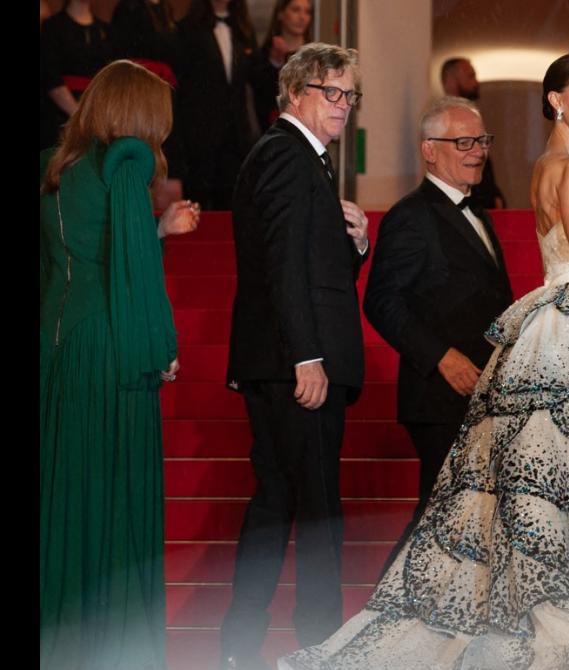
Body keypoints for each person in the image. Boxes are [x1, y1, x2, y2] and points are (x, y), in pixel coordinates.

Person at [277, 53, 569, 670]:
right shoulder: (557, 171)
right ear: (557, 101)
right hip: (568, 328)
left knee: (547, 489)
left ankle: (558, 608)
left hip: (552, 331)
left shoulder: (543, 168)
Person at [40, 58, 200, 670]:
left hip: (59, 345)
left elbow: (82, 254)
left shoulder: (57, 169)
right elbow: (131, 271)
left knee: (66, 491)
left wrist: (154, 229)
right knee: (110, 496)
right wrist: (156, 347)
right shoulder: (127, 159)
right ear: (138, 113)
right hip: (110, 350)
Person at [220, 42, 370, 670]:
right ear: (295, 93)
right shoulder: (287, 155)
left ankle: (238, 647)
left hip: (283, 359)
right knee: (315, 509)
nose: (343, 106)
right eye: (332, 92)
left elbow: (306, 263)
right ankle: (321, 646)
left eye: (350, 95)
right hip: (295, 365)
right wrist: (307, 356)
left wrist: (357, 245)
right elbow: (281, 266)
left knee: (281, 500)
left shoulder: (299, 159)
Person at [362, 96, 513, 577]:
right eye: (463, 142)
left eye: (482, 141)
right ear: (430, 150)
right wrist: (441, 357)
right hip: (439, 396)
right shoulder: (411, 215)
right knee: (438, 514)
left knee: (459, 516)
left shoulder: (479, 213)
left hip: (480, 394)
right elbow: (381, 302)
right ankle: (385, 620)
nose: (477, 151)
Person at [176, 0, 259, 210]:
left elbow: (256, 79)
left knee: (232, 211)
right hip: (198, 140)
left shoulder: (244, 31)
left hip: (236, 140)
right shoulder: (187, 29)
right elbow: (181, 90)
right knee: (197, 210)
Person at [110, 0, 189, 209]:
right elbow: (120, 62)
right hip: (140, 102)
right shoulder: (127, 9)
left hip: (168, 102)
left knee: (172, 180)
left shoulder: (166, 10)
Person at [39, 0, 117, 150]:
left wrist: (101, 116)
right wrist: (79, 114)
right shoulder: (53, 27)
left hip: (99, 113)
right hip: (62, 117)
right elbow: (51, 76)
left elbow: (112, 76)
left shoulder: (106, 30)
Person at [439, 57, 506, 209]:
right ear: (451, 80)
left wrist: (494, 194)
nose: (476, 82)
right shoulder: (442, 123)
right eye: (470, 76)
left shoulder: (473, 116)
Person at [253, 0, 314, 132]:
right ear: (281, 14)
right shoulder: (265, 55)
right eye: (296, 10)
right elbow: (261, 99)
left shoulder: (315, 57)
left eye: (307, 12)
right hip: (274, 132)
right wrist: (275, 63)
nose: (302, 17)